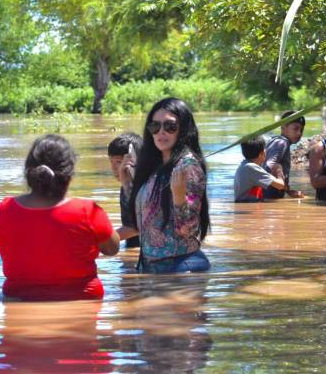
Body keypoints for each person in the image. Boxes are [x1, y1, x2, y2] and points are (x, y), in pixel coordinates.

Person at [0, 134, 120, 300]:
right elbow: (112, 249)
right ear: (69, 173)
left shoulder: (5, 209)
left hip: (19, 300)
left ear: (28, 172)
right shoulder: (88, 211)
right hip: (81, 304)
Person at [117, 97, 211, 273]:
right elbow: (142, 223)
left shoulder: (188, 167)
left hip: (181, 268)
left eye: (170, 126)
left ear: (183, 129)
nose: (161, 132)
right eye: (155, 126)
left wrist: (179, 198)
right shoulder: (155, 166)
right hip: (153, 267)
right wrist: (127, 184)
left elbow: (188, 230)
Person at [107, 132, 143, 248]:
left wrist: (100, 242)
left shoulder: (143, 187)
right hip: (135, 249)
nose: (113, 168)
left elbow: (134, 228)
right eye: (111, 162)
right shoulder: (125, 186)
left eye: (118, 162)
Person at [263, 110, 306, 199]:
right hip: (269, 197)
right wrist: (284, 186)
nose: (299, 133)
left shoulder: (277, 141)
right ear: (283, 128)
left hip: (270, 195)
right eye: (295, 128)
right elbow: (269, 166)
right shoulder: (282, 142)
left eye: (301, 130)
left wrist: (288, 191)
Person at [233, 136, 286, 202]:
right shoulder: (252, 168)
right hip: (250, 207)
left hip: (244, 205)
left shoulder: (244, 165)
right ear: (262, 153)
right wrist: (279, 170)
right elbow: (280, 185)